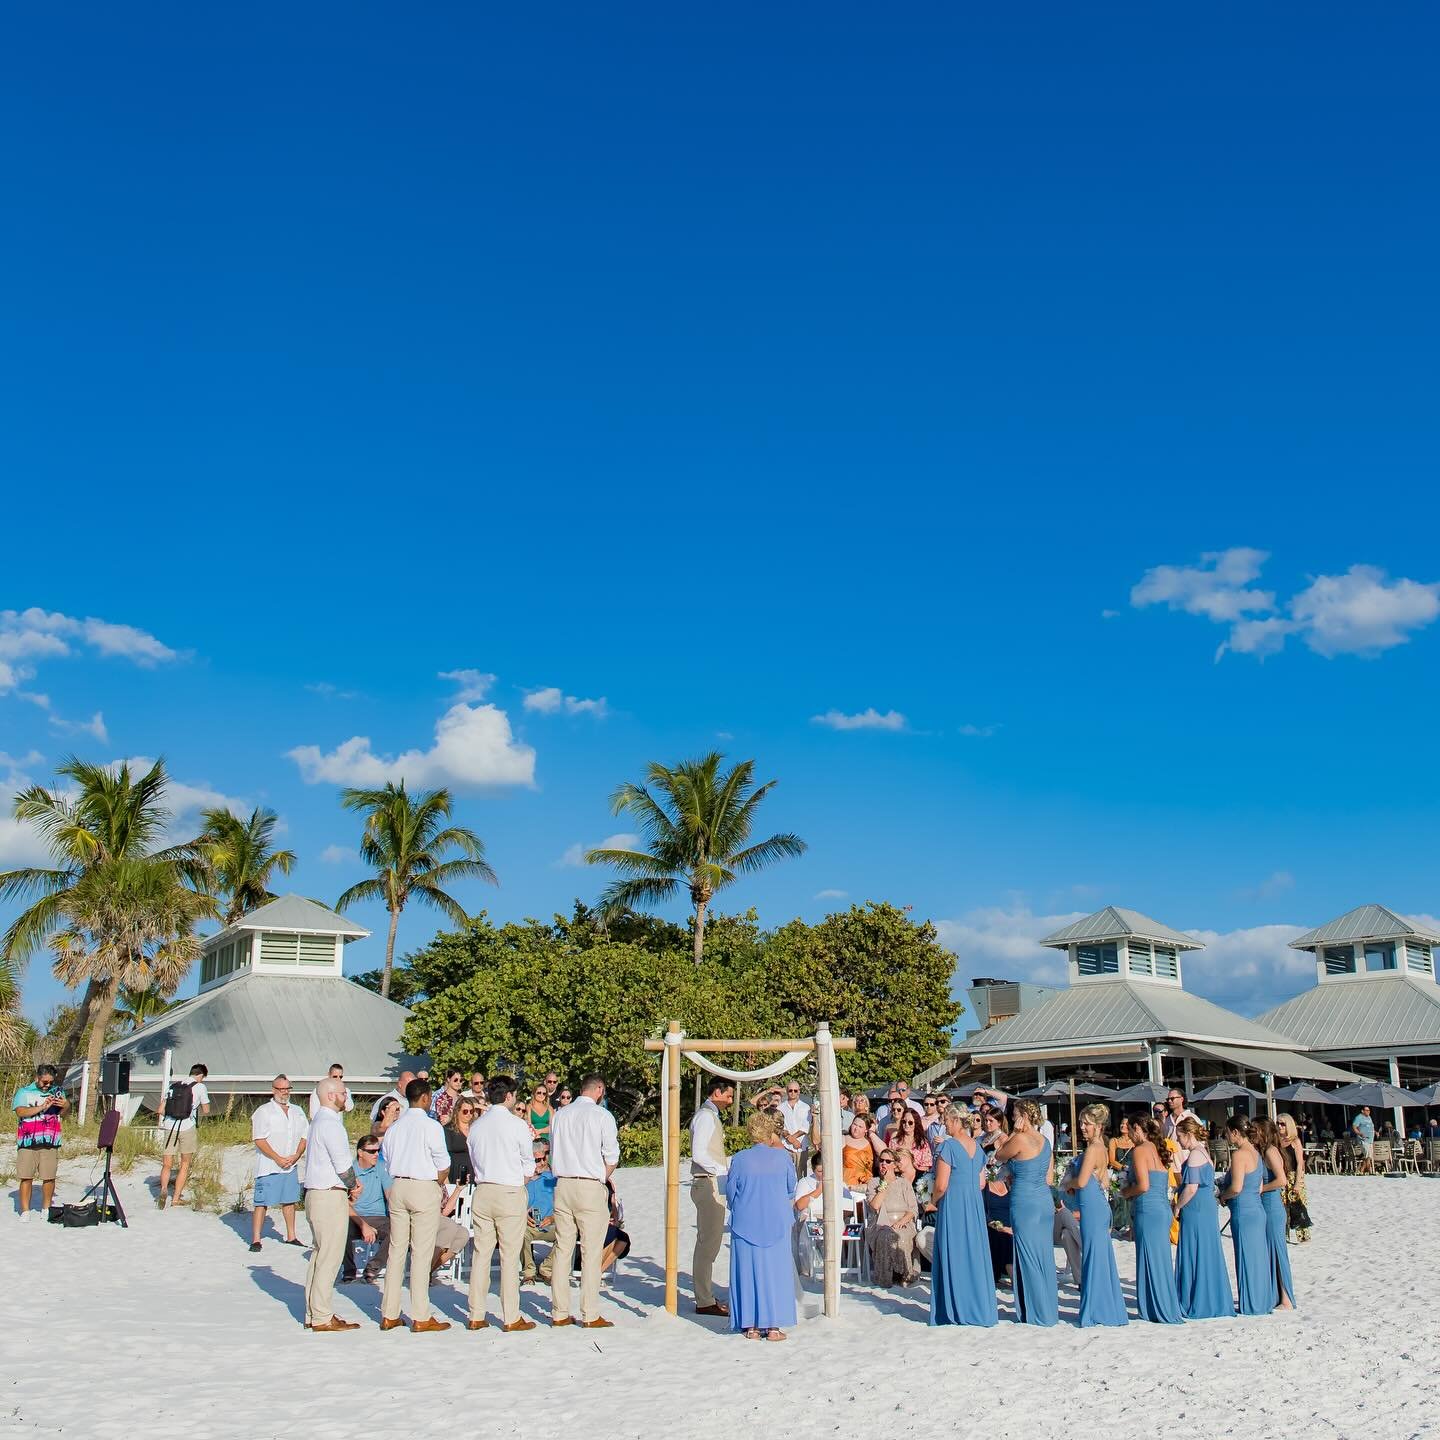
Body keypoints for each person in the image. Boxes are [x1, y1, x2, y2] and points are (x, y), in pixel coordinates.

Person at [378, 1077, 452, 1333]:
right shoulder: (431, 1126)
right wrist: (438, 1184)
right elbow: (443, 1163)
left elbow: (386, 1159)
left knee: (397, 1251)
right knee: (421, 1252)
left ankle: (389, 1312)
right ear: (424, 1098)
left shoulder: (395, 1128)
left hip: (399, 1185)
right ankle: (420, 1315)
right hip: (422, 1185)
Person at [466, 1074, 538, 1332]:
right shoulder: (517, 1125)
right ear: (508, 1096)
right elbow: (528, 1162)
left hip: (484, 1190)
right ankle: (511, 1316)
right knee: (509, 1256)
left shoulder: (476, 1126)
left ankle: (475, 1314)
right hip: (508, 1189)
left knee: (481, 1254)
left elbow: (474, 1160)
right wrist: (522, 1177)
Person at [549, 1073, 620, 1329]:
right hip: (589, 1184)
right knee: (590, 1251)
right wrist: (602, 1176)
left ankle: (559, 1311)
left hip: (563, 1182)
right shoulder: (602, 1116)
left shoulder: (561, 1115)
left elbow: (553, 1151)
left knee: (562, 1249)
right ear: (599, 1089)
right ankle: (589, 1313)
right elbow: (611, 1156)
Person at [723, 1110, 797, 1341]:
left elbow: (731, 1193)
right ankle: (773, 1326)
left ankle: (751, 1326)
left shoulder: (739, 1159)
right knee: (776, 1273)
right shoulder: (783, 1158)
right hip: (776, 1220)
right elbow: (790, 1188)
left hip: (745, 1222)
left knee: (747, 1272)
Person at [928, 1103, 997, 1327]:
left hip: (954, 1204)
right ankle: (976, 1304)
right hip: (973, 1205)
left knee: (954, 1251)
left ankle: (955, 1308)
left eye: (946, 1120)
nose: (944, 1124)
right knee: (973, 1252)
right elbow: (981, 1183)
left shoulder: (948, 1147)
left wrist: (931, 1202)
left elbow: (941, 1185)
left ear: (956, 1121)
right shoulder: (977, 1148)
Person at [302, 1078, 361, 1332]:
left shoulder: (317, 1121)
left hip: (316, 1193)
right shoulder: (330, 1123)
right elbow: (342, 1164)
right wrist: (354, 1185)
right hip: (328, 1194)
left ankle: (313, 1312)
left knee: (319, 1255)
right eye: (342, 1092)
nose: (345, 1095)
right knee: (329, 1256)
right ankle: (322, 1316)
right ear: (330, 1095)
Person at [1062, 1103, 1128, 1327]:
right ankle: (1103, 1305)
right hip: (1094, 1204)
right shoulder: (1098, 1147)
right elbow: (1103, 1181)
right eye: (1081, 1123)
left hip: (1092, 1207)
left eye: (1087, 1124)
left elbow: (1081, 1181)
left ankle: (1097, 1308)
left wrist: (1067, 1182)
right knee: (1096, 1253)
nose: (1082, 1127)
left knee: (1094, 1253)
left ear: (1098, 1126)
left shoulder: (1093, 1149)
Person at [994, 1099, 1057, 1326]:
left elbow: (999, 1155)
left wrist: (1013, 1134)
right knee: (1043, 1255)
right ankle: (1048, 1308)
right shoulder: (1045, 1141)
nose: (1011, 1118)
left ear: (1023, 1116)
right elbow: (1050, 1179)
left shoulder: (1019, 1138)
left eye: (1014, 1114)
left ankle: (1037, 1311)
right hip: (1044, 1200)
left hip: (1024, 1201)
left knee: (1027, 1254)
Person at [1119, 1117, 1183, 1324]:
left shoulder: (1140, 1151)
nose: (1128, 1135)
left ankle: (1157, 1308)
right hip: (1162, 1209)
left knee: (1150, 1259)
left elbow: (1143, 1185)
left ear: (1138, 1128)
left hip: (1148, 1209)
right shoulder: (1158, 1148)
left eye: (1130, 1130)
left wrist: (1126, 1191)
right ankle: (1163, 1304)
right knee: (1161, 1259)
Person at [1171, 1116, 1232, 1320]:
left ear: (1189, 1135)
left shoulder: (1196, 1154)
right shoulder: (1203, 1152)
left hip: (1196, 1209)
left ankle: (1196, 1299)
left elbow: (1191, 1187)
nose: (1178, 1141)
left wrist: (1177, 1207)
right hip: (1204, 1208)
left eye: (1180, 1136)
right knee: (1205, 1250)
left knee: (1196, 1250)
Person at [690, 1076, 734, 1317]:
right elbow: (698, 1153)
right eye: (728, 1095)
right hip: (708, 1183)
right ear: (717, 1092)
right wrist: (722, 1170)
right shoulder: (706, 1117)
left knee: (709, 1242)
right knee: (708, 1244)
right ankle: (704, 1299)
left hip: (709, 1182)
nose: (730, 1101)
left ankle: (705, 1295)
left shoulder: (710, 1116)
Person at [1220, 1116, 1272, 1315]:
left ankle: (1252, 1304)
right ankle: (1262, 1300)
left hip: (1243, 1210)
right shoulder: (1256, 1153)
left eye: (1227, 1132)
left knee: (1246, 1257)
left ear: (1235, 1132)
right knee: (1258, 1257)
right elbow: (1258, 1187)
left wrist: (1223, 1196)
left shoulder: (1240, 1154)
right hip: (1257, 1209)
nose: (1226, 1136)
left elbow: (1236, 1187)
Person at [250, 1075, 307, 1252]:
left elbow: (305, 1135)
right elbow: (259, 1139)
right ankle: (256, 1239)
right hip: (269, 1165)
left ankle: (291, 1236)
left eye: (287, 1089)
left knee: (289, 1201)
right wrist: (277, 1157)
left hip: (290, 1164)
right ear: (274, 1090)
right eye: (281, 1089)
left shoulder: (297, 1110)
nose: (285, 1092)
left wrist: (297, 1154)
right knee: (262, 1202)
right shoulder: (264, 1111)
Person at [13, 1062, 68, 1220]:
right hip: (28, 1142)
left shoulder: (57, 1091)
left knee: (49, 1176)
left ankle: (46, 1208)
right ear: (37, 1078)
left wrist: (66, 1105)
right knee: (26, 1177)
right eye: (45, 1082)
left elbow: (64, 1113)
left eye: (51, 1082)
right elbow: (20, 1112)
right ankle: (25, 1211)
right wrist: (41, 1108)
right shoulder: (24, 1092)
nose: (48, 1085)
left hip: (50, 1140)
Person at [1255, 1118, 1297, 1310]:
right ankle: (1277, 1295)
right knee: (1270, 1250)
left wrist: (1262, 1189)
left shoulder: (1271, 1151)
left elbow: (1282, 1181)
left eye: (1255, 1130)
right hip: (1267, 1205)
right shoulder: (1263, 1151)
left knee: (1277, 1250)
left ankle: (1286, 1297)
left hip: (1272, 1204)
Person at [156, 1063, 211, 1210]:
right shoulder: (200, 1087)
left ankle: (163, 1190)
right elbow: (206, 1110)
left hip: (169, 1126)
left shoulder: (174, 1086)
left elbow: (160, 1110)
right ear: (201, 1075)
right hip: (187, 1126)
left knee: (167, 1163)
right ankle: (175, 1198)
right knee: (184, 1164)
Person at [341, 1133, 391, 1284]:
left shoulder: (381, 1167)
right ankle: (349, 1270)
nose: (376, 1154)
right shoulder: (350, 1171)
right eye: (371, 1151)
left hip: (378, 1217)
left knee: (398, 1231)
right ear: (360, 1152)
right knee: (341, 1229)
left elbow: (390, 1195)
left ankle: (372, 1267)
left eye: (378, 1150)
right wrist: (364, 1226)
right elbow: (344, 1203)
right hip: (355, 1216)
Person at [865, 1148, 919, 1286]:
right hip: (881, 1223)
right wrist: (885, 1184)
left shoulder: (904, 1183)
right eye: (881, 1160)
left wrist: (901, 1222)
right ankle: (885, 1278)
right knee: (886, 1236)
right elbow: (875, 1206)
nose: (883, 1163)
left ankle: (904, 1274)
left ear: (895, 1165)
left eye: (888, 1161)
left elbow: (913, 1209)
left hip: (903, 1222)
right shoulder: (874, 1183)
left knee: (901, 1236)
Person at [522, 1140, 557, 1284]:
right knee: (520, 1233)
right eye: (538, 1160)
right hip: (529, 1223)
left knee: (568, 1233)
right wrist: (522, 1213)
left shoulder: (554, 1177)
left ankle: (546, 1269)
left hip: (549, 1223)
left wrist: (553, 1218)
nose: (542, 1163)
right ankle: (529, 1272)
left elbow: (563, 1203)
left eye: (545, 1157)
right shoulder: (522, 1178)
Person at [1276, 1113, 1311, 1243]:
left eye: (1283, 1124)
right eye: (1278, 1123)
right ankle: (1283, 1235)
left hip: (1293, 1176)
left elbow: (1300, 1163)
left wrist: (1297, 1183)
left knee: (1298, 1206)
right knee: (1282, 1207)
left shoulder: (1295, 1141)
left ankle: (1303, 1236)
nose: (1279, 1126)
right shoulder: (1276, 1142)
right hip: (1281, 1176)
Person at [1107, 1121, 1135, 1237]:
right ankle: (1119, 1225)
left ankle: (1129, 1224)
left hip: (1132, 1172)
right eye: (1121, 1124)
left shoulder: (1134, 1142)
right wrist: (1123, 1168)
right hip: (1118, 1172)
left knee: (1130, 1199)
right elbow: (1111, 1160)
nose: (1123, 1126)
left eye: (1126, 1124)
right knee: (1119, 1199)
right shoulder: (1114, 1141)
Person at [777, 1082, 811, 1174]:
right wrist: (791, 1139)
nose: (793, 1092)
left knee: (801, 1175)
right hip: (785, 1146)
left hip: (801, 1146)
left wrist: (793, 1138)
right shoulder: (780, 1108)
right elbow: (779, 1126)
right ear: (787, 1091)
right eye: (790, 1090)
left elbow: (805, 1127)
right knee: (785, 1173)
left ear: (799, 1091)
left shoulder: (806, 1107)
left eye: (795, 1090)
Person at [888, 1107, 933, 1173]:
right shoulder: (894, 1142)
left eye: (910, 1122)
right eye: (904, 1121)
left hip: (917, 1177)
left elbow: (927, 1165)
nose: (906, 1124)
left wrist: (914, 1165)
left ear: (916, 1124)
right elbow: (889, 1161)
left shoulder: (922, 1143)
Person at [842, 1115, 881, 1189]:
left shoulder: (871, 1141)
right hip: (848, 1184)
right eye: (854, 1124)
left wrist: (871, 1133)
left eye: (860, 1127)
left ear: (866, 1129)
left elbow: (882, 1152)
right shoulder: (844, 1138)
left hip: (867, 1184)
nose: (856, 1128)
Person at [445, 1095, 478, 1184]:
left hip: (473, 1173)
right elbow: (443, 1155)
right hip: (455, 1172)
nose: (469, 1114)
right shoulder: (448, 1129)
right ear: (457, 1111)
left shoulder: (476, 1129)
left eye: (471, 1111)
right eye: (465, 1111)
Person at [1162, 1087, 1198, 1168]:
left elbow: (1201, 1141)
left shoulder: (1191, 1117)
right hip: (1171, 1162)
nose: (1169, 1101)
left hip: (1187, 1161)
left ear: (1181, 1099)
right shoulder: (1167, 1120)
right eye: (1168, 1099)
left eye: (1172, 1098)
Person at [1350, 1106, 1376, 1174]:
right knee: (1367, 1155)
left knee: (1368, 1156)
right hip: (1363, 1139)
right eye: (1366, 1110)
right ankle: (1370, 1171)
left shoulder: (1369, 1117)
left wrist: (1375, 1132)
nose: (1368, 1112)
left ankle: (1361, 1170)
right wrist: (1359, 1133)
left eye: (1369, 1110)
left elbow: (1371, 1126)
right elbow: (1354, 1127)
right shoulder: (1359, 1117)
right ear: (1362, 1111)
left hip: (1370, 1139)